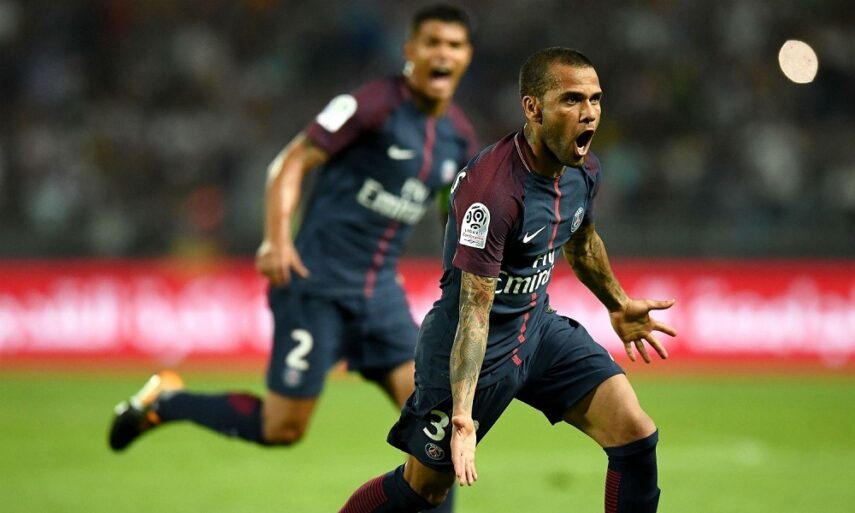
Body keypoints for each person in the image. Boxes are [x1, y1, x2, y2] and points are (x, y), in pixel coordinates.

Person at [109, 5, 478, 511]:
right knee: (282, 427)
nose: (442, 54)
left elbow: (454, 215)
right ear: (410, 50)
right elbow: (291, 161)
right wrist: (277, 240)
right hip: (315, 284)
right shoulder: (370, 105)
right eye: (432, 42)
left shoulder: (459, 137)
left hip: (380, 298)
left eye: (454, 45)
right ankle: (167, 403)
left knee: (436, 425)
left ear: (467, 56)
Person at [337, 46, 677, 513]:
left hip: (537, 330)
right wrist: (462, 414)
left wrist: (617, 303)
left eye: (595, 99)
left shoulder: (583, 172)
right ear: (533, 108)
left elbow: (581, 242)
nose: (589, 113)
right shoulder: (493, 192)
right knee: (424, 489)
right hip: (469, 347)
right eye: (572, 99)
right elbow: (475, 312)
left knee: (635, 435)